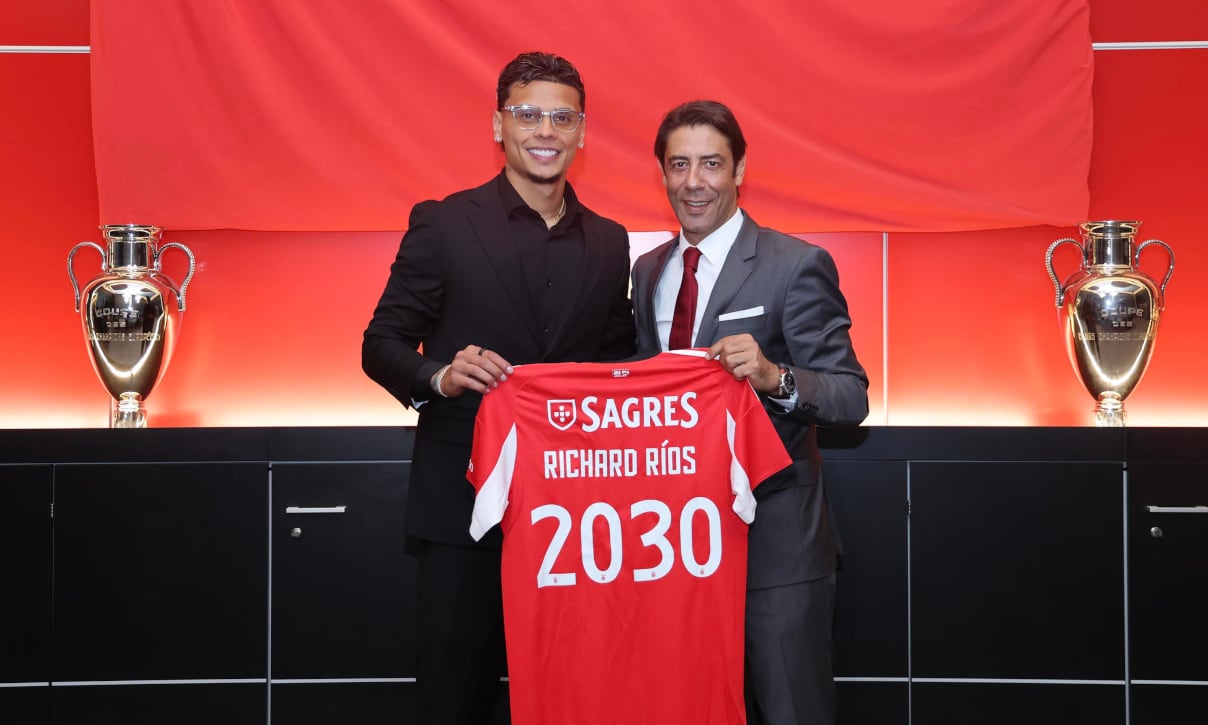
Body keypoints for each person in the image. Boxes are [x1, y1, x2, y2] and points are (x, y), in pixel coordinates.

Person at [361, 51, 635, 725]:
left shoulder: (610, 242)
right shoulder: (445, 223)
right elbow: (381, 344)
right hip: (462, 511)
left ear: (582, 131)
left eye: (561, 117)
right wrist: (440, 375)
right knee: (455, 699)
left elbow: (617, 368)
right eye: (528, 113)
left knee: (575, 700)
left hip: (573, 517)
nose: (545, 130)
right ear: (498, 124)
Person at [630, 99, 869, 725]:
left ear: (739, 170)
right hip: (676, 549)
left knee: (793, 710)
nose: (693, 182)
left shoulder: (795, 265)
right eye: (678, 165)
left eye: (711, 164)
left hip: (777, 548)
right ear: (660, 173)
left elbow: (850, 397)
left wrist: (773, 376)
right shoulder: (648, 272)